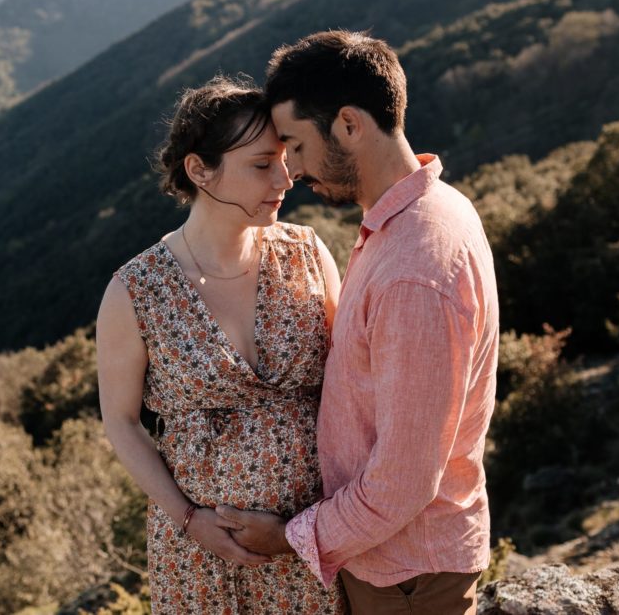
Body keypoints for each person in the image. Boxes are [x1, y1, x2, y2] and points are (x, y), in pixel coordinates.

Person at [214, 31, 500, 614]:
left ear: (348, 124)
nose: (290, 169)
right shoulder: (425, 213)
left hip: (408, 574)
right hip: (400, 564)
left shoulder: (414, 268)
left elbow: (403, 483)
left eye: (294, 143)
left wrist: (291, 538)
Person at [97, 75, 347, 614]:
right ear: (199, 169)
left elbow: (351, 378)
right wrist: (189, 521)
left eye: (284, 159)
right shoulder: (136, 289)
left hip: (309, 536)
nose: (285, 177)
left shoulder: (306, 253)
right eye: (261, 165)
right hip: (204, 555)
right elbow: (120, 420)